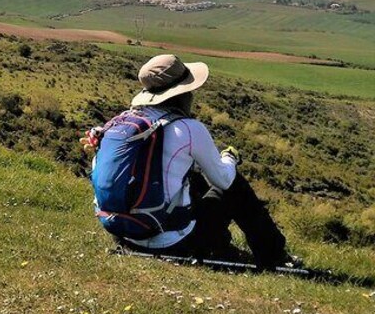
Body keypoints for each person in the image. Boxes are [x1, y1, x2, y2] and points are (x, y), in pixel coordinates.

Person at [82, 54, 292, 269]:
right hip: (171, 241)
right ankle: (273, 256)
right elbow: (224, 180)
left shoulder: (120, 124)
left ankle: (221, 245)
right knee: (236, 185)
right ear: (181, 94)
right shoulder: (189, 129)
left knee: (194, 179)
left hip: (124, 233)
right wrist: (229, 158)